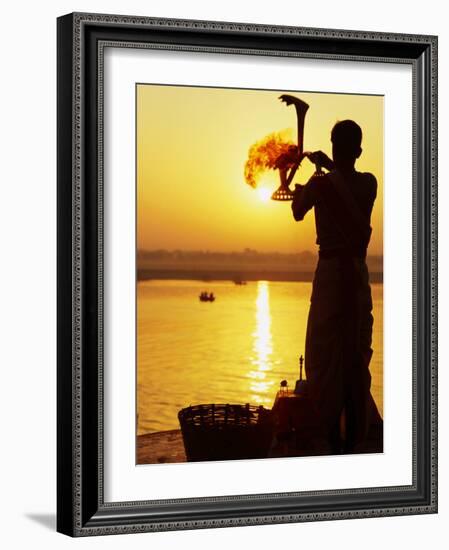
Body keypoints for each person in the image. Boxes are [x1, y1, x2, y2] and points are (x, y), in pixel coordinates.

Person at [291, 120, 378, 453]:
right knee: (353, 357)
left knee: (326, 359)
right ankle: (353, 438)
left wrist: (305, 188)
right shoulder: (367, 183)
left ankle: (331, 437)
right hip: (355, 276)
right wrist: (320, 176)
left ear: (334, 147)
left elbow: (297, 211)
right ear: (357, 151)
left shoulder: (324, 184)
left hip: (332, 278)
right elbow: (314, 200)